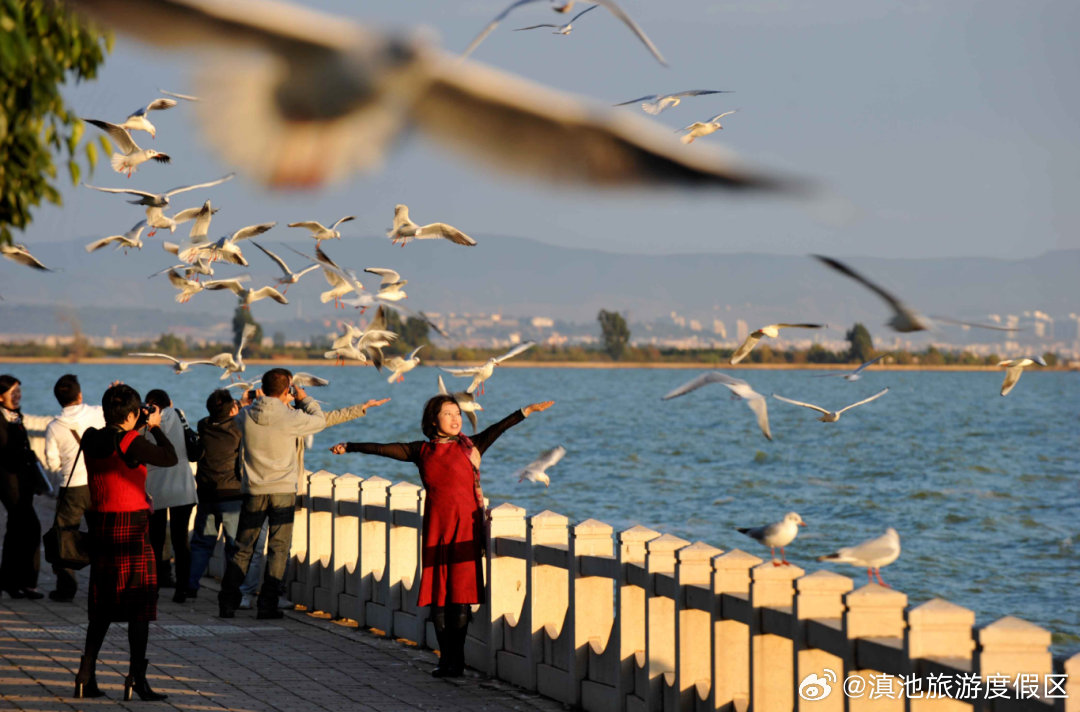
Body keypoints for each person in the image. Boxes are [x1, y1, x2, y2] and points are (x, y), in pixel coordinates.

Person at [330, 395, 554, 678]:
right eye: (447, 413)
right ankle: (445, 659)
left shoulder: (472, 446)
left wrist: (527, 409)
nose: (455, 418)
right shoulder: (420, 450)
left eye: (457, 413)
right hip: (437, 528)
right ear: (433, 420)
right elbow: (381, 449)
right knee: (439, 596)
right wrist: (349, 447)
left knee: (460, 596)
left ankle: (457, 661)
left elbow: (500, 427)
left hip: (466, 530)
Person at [75, 384, 176, 701]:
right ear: (133, 414)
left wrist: (138, 423)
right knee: (140, 605)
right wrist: (156, 428)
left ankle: (85, 675)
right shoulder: (133, 441)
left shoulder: (91, 437)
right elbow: (170, 457)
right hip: (132, 528)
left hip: (101, 527)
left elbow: (118, 439)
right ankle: (136, 679)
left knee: (101, 606)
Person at [218, 368, 327, 620]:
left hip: (254, 490)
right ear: (288, 387)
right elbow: (319, 420)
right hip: (282, 491)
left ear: (263, 388)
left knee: (243, 547)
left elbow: (234, 419)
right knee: (279, 548)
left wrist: (248, 400)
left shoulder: (246, 415)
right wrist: (304, 399)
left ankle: (228, 602)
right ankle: (267, 605)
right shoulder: (291, 417)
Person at [186, 389, 262, 604]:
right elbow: (247, 421)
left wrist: (236, 406)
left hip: (207, 494)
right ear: (231, 408)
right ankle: (232, 590)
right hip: (232, 495)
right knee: (233, 545)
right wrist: (244, 406)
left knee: (202, 543)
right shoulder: (239, 426)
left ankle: (191, 585)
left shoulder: (203, 425)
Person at [43, 375, 107, 602]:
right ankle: (104, 586)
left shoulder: (54, 426)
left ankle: (66, 588)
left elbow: (51, 463)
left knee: (64, 536)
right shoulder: (97, 413)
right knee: (101, 536)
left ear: (58, 399)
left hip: (71, 487)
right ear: (79, 394)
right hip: (98, 484)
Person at [143, 389, 197, 603]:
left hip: (155, 489)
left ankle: (153, 586)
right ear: (170, 402)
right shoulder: (179, 414)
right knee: (180, 540)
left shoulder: (143, 425)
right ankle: (182, 588)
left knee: (155, 541)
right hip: (182, 487)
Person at [0, 374, 44, 599]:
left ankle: (14, 581)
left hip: (23, 482)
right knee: (28, 527)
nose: (17, 396)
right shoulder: (3, 420)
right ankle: (22, 582)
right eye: (13, 392)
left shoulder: (16, 417)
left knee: (19, 530)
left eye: (19, 392)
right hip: (9, 482)